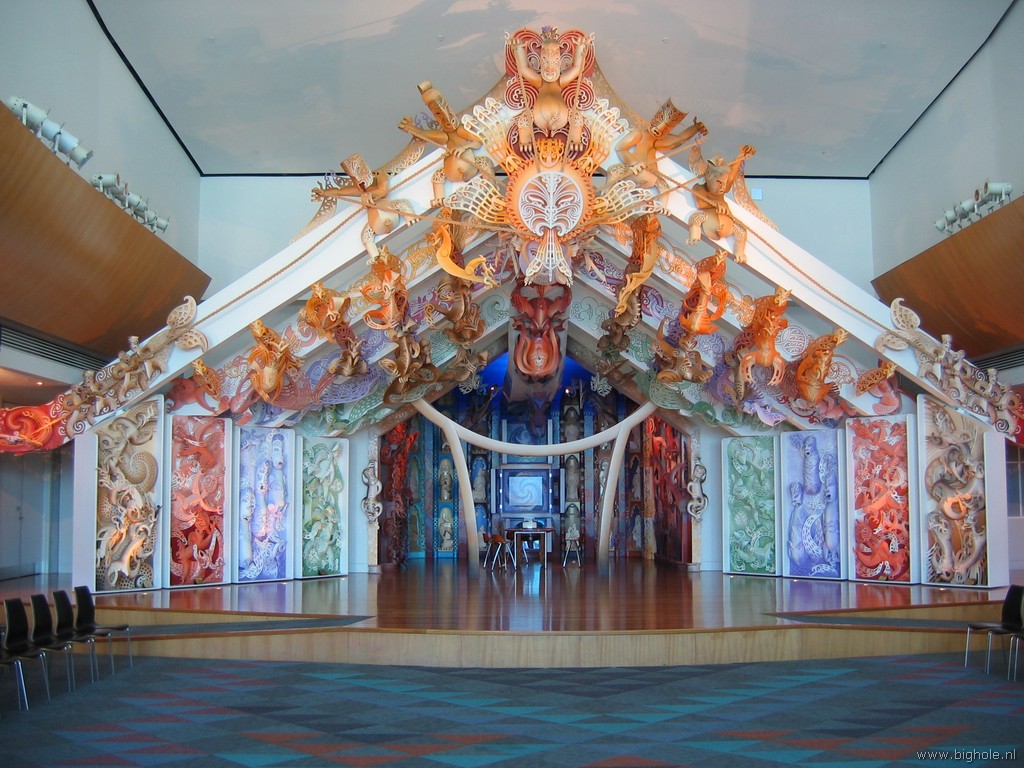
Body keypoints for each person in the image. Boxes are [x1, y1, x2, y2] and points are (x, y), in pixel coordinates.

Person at [512, 26, 589, 154]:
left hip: (562, 118)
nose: (549, 68)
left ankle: (575, 140)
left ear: (560, 63)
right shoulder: (539, 81)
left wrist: (581, 47)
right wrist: (518, 48)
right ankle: (525, 140)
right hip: (538, 117)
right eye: (545, 61)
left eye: (554, 62)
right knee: (525, 118)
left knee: (575, 116)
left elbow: (576, 68)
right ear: (541, 62)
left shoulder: (560, 82)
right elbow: (524, 69)